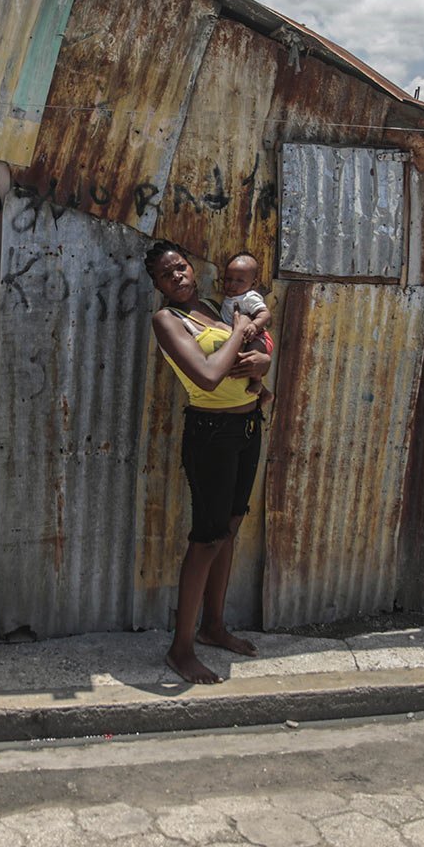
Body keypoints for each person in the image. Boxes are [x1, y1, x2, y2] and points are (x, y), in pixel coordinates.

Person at [145, 240, 270, 684]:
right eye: (166, 274)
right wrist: (239, 331)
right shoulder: (167, 320)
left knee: (231, 527)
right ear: (157, 284)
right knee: (206, 538)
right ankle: (181, 649)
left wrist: (262, 361)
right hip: (211, 434)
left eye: (180, 267)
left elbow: (248, 356)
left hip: (247, 427)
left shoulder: (219, 307)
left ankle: (213, 627)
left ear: (193, 269)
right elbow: (209, 376)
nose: (176, 276)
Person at [219, 251, 274, 409]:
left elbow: (265, 313)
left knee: (251, 357)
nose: (232, 284)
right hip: (241, 338)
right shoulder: (228, 298)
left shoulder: (249, 297)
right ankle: (264, 393)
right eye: (228, 279)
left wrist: (254, 325)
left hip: (259, 339)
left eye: (239, 281)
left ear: (253, 283)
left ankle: (257, 383)